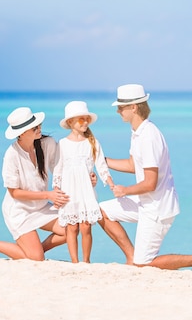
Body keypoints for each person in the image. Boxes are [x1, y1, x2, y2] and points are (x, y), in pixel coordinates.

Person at [99, 84, 192, 272]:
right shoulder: (137, 132)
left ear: (134, 107)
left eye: (121, 106)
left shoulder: (149, 136)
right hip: (144, 203)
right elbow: (132, 165)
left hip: (158, 208)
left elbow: (150, 183)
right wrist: (102, 161)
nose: (117, 110)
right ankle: (131, 257)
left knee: (144, 265)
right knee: (101, 211)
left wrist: (125, 190)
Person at [0, 107, 71, 261]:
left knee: (71, 229)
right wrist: (48, 195)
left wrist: (88, 178)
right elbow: (14, 192)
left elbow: (61, 168)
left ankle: (34, 252)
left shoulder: (47, 144)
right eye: (34, 127)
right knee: (36, 259)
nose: (39, 128)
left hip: (40, 207)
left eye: (38, 124)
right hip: (19, 211)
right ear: (21, 133)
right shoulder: (12, 155)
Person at [53, 101, 114, 263]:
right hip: (68, 191)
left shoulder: (91, 142)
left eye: (87, 119)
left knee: (86, 227)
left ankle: (86, 261)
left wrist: (110, 182)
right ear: (70, 122)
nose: (85, 122)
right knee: (72, 228)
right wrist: (56, 190)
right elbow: (58, 169)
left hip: (86, 191)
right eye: (81, 119)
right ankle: (74, 261)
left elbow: (101, 164)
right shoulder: (62, 144)